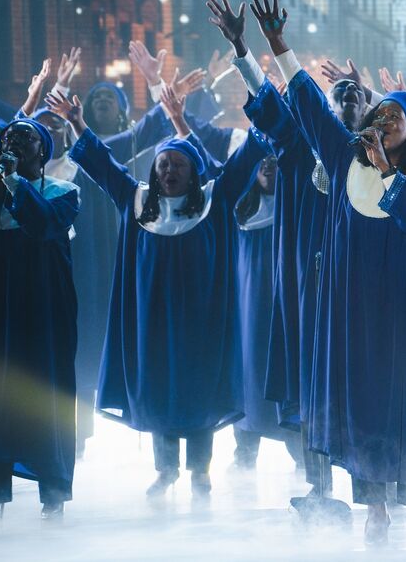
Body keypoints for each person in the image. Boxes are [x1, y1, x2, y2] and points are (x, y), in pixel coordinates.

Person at [250, 0, 406, 546]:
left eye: (395, 118)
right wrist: (278, 45)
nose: (383, 122)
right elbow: (310, 107)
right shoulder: (344, 160)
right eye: (378, 115)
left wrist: (389, 173)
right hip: (354, 313)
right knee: (365, 407)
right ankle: (376, 510)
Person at [50, 81, 268, 501]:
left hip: (202, 323)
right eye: (163, 165)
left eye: (178, 165)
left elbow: (246, 160)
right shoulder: (137, 203)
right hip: (152, 323)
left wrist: (262, 108)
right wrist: (77, 123)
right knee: (158, 391)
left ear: (193, 172)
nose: (169, 171)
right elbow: (103, 165)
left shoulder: (215, 201)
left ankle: (200, 471)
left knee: (199, 393)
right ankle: (165, 471)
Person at [206, 0, 345, 516]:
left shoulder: (365, 154)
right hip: (308, 285)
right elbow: (270, 102)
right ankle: (321, 489)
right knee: (308, 383)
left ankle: (379, 491)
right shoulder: (295, 147)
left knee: (356, 380)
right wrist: (247, 49)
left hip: (355, 283)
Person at [0, 118, 80, 521]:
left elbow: (42, 223)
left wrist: (14, 182)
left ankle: (54, 494)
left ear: (42, 151)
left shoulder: (63, 193)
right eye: (7, 136)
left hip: (45, 308)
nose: (13, 140)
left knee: (47, 393)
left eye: (24, 136)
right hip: (1, 306)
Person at [230, 155, 302, 469]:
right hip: (249, 305)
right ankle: (245, 453)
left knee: (287, 371)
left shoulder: (297, 207)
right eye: (261, 163)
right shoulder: (241, 209)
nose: (268, 167)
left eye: (274, 161)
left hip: (286, 302)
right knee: (250, 373)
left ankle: (302, 456)